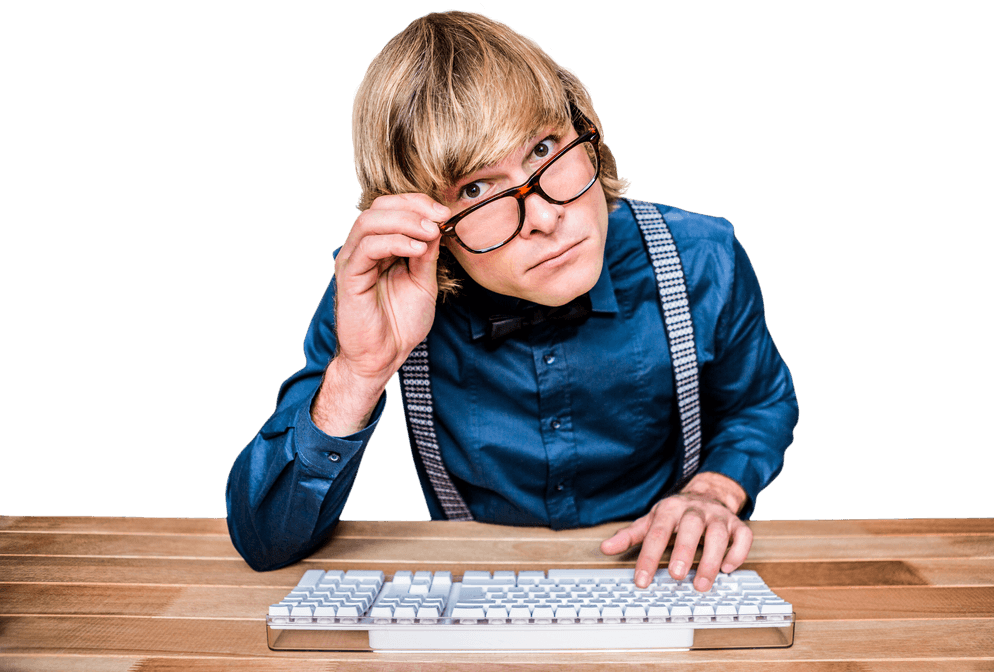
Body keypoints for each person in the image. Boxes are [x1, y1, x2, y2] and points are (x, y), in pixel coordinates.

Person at [226, 10, 798, 594]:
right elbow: (267, 541)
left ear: (587, 129)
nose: (546, 217)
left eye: (544, 146)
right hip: (476, 599)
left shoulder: (702, 257)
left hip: (666, 586)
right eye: (475, 189)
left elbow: (761, 404)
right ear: (424, 221)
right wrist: (359, 373)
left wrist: (715, 490)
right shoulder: (379, 293)